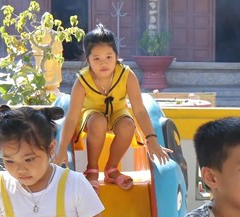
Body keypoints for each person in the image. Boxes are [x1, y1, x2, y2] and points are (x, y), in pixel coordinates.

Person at [55, 24, 170, 192]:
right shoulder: (82, 81)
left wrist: (152, 139)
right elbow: (71, 117)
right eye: (96, 59)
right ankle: (92, 170)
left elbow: (139, 110)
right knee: (98, 121)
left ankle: (111, 169)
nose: (104, 63)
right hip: (91, 116)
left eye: (109, 56)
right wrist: (61, 148)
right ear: (88, 60)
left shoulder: (127, 75)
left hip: (118, 111)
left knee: (127, 125)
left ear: (116, 55)